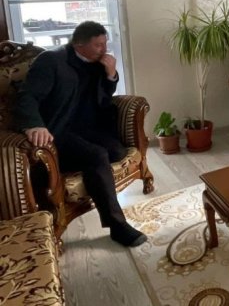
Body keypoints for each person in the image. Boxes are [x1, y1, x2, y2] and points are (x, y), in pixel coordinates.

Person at [14, 21, 147, 247]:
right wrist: (34, 125)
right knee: (96, 155)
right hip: (57, 131)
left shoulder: (96, 62)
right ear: (78, 44)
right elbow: (27, 96)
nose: (104, 49)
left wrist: (111, 75)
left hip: (86, 127)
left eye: (105, 43)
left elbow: (104, 96)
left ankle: (90, 172)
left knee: (117, 151)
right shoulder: (51, 61)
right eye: (98, 45)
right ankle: (117, 226)